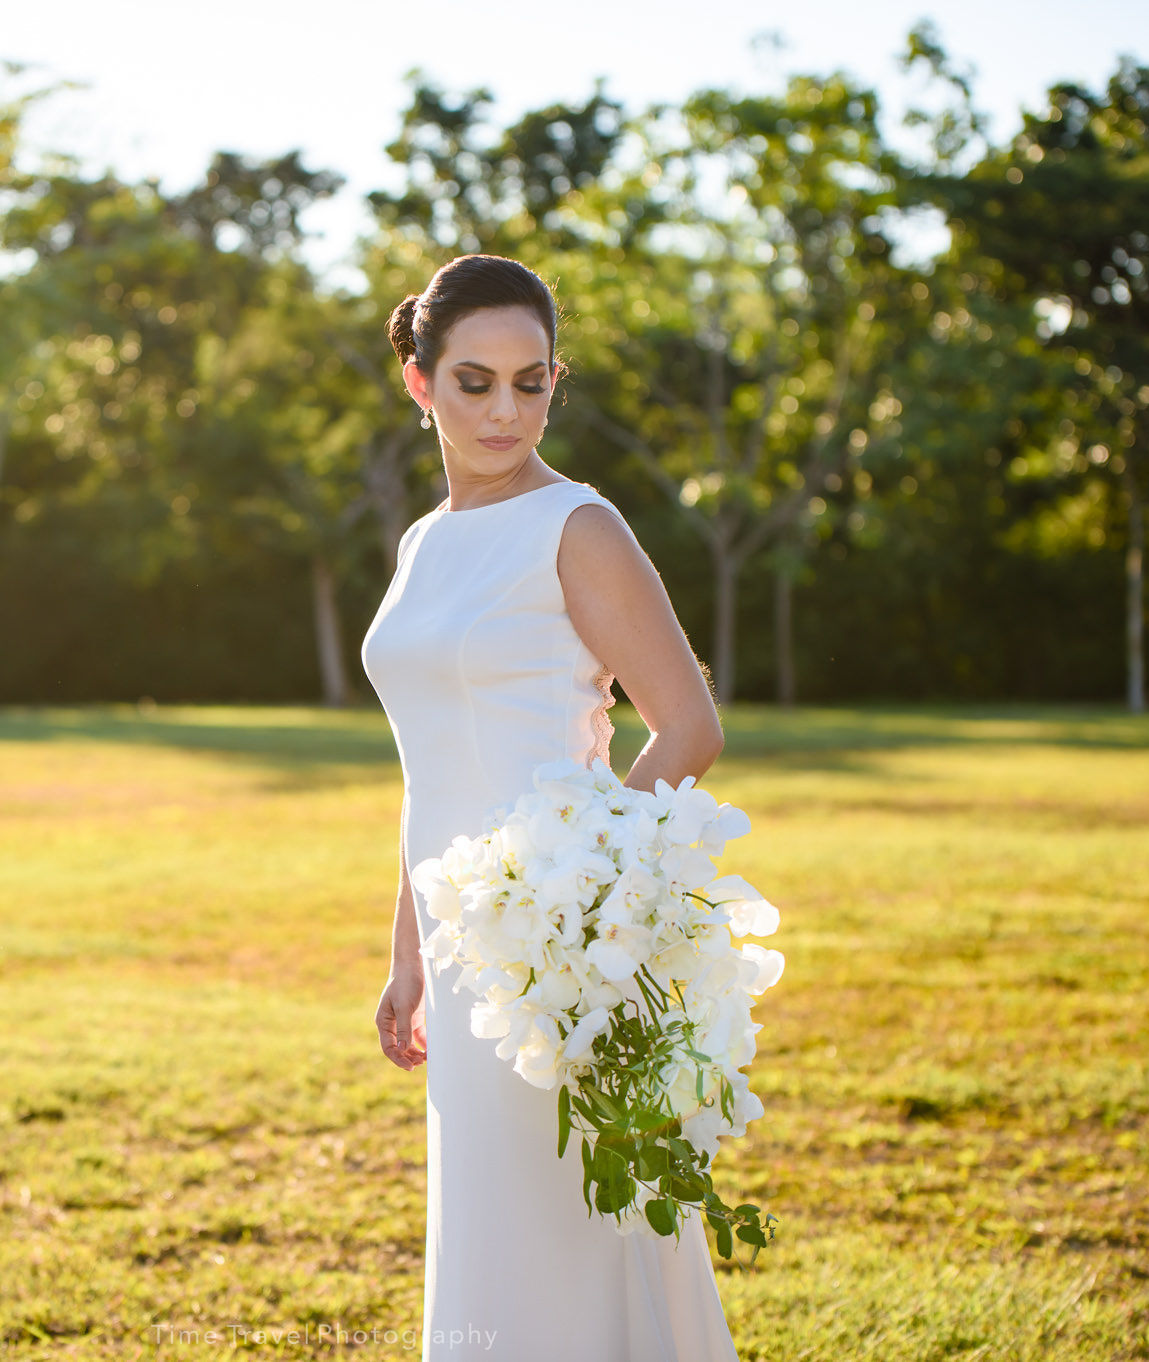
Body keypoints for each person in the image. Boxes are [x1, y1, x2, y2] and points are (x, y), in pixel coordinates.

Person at [361, 254, 738, 1361]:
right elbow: (428, 772)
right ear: (420, 383)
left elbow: (689, 726)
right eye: (474, 382)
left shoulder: (579, 528)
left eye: (532, 383)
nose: (505, 411)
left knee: (569, 1225)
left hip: (556, 951)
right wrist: (409, 953)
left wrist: (575, 904)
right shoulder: (422, 544)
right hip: (458, 937)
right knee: (491, 1222)